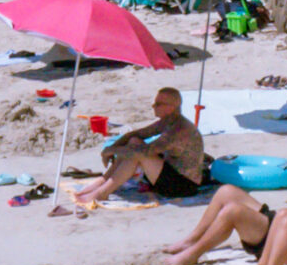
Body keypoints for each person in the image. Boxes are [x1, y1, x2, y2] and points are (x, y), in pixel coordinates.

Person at [73, 88, 206, 206]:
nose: (153, 106)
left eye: (158, 104)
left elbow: (146, 151)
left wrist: (111, 150)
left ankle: (103, 192)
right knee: (134, 141)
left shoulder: (179, 129)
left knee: (138, 154)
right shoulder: (169, 121)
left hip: (183, 186)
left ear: (171, 107)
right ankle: (104, 180)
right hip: (170, 174)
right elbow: (138, 134)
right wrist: (113, 147)